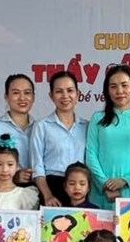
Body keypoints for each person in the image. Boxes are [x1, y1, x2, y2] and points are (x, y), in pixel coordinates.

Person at [85, 65, 130, 209]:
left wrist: (124, 181)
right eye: (113, 86)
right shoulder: (98, 118)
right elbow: (90, 155)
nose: (119, 91)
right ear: (107, 90)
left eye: (124, 85)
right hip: (100, 192)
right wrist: (105, 184)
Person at [32, 70, 88, 207]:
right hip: (52, 188)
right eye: (59, 91)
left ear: (78, 94)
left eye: (70, 90)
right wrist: (47, 195)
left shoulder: (87, 126)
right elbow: (37, 166)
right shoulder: (42, 126)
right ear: (51, 96)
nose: (65, 96)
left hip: (81, 189)